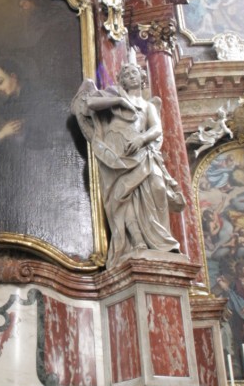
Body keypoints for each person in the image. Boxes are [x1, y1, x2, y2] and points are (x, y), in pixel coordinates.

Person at [72, 60, 184, 265]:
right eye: (126, 75)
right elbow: (89, 104)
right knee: (123, 197)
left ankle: (160, 241)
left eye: (134, 73)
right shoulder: (114, 95)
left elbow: (157, 129)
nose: (131, 77)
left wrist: (142, 139)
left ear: (142, 79)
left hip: (142, 153)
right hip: (116, 156)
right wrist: (119, 102)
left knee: (157, 187)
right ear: (121, 81)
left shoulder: (149, 105)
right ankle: (137, 241)